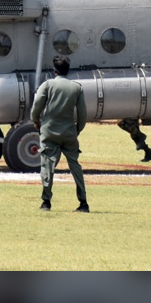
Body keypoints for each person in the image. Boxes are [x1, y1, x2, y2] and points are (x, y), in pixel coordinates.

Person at [31, 56, 89, 212]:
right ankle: (83, 203)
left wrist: (35, 120)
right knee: (75, 166)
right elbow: (82, 114)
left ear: (54, 70)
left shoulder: (48, 84)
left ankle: (46, 202)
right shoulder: (77, 88)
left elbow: (37, 105)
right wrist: (77, 130)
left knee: (47, 166)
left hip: (49, 132)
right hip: (69, 132)